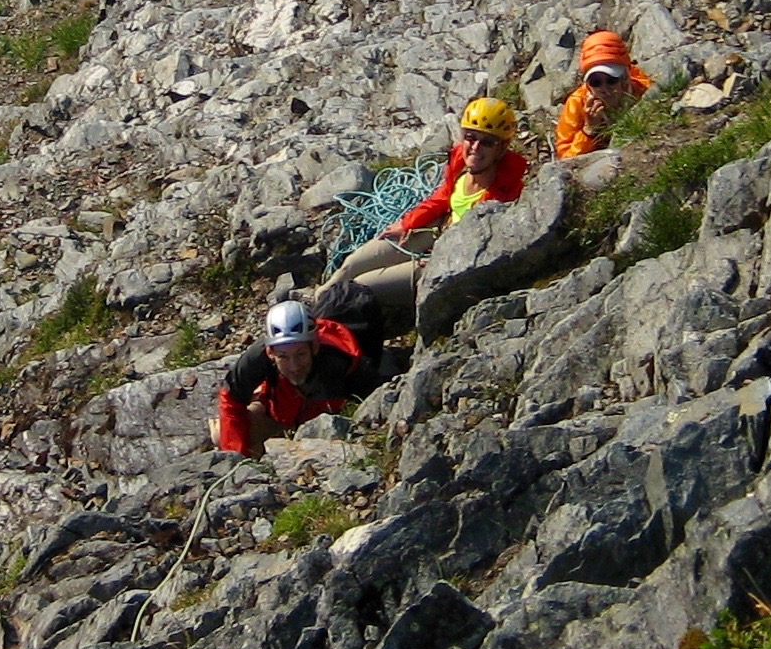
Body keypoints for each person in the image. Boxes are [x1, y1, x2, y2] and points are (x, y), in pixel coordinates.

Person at [327, 98, 529, 322]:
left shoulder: (506, 196)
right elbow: (442, 198)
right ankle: (316, 310)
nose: (475, 147)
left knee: (361, 286)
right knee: (351, 265)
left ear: (501, 148)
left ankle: (321, 326)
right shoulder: (460, 167)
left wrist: (439, 260)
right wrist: (408, 223)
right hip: (438, 231)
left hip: (451, 261)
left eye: (487, 142)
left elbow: (487, 249)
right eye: (470, 137)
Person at [216, 295, 382, 455]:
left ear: (315, 347)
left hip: (317, 426)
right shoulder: (258, 357)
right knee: (222, 435)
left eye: (300, 354)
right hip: (281, 414)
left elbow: (375, 409)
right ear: (270, 352)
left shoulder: (339, 364)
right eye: (283, 357)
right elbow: (231, 399)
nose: (294, 366)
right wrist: (235, 458)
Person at [555, 30, 654, 160]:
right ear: (588, 84)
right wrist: (589, 130)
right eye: (596, 82)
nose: (604, 88)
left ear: (624, 79)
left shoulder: (643, 90)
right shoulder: (576, 103)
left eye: (611, 80)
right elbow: (566, 157)